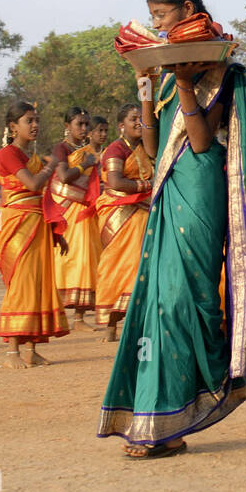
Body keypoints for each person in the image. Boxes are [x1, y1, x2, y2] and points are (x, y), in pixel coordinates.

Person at [99, 0, 246, 457]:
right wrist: (146, 96)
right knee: (160, 304)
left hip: (201, 191)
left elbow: (201, 142)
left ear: (185, 8)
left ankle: (190, 409)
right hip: (169, 188)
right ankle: (162, 420)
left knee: (185, 303)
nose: (156, 25)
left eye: (161, 15)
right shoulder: (167, 69)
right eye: (152, 17)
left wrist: (182, 83)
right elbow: (155, 149)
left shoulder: (215, 65)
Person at [0, 102, 70, 366]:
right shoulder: (8, 154)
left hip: (37, 224)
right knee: (21, 284)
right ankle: (12, 351)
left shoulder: (32, 158)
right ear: (13, 126)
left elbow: (41, 196)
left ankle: (31, 349)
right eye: (28, 120)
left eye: (37, 120)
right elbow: (34, 184)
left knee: (37, 284)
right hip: (16, 225)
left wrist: (54, 230)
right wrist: (54, 165)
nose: (35, 125)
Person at [94, 104, 153, 342]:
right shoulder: (115, 149)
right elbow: (116, 182)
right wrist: (147, 187)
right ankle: (110, 325)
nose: (138, 122)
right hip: (118, 213)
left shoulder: (145, 148)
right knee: (116, 265)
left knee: (139, 265)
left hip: (142, 212)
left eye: (141, 118)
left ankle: (135, 323)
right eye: (133, 119)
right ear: (121, 126)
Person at [47, 107, 102, 331]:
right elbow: (64, 177)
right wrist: (85, 164)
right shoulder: (62, 148)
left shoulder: (88, 150)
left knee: (84, 261)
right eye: (79, 124)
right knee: (62, 261)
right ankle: (55, 313)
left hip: (83, 211)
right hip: (64, 210)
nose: (84, 128)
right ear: (67, 126)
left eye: (86, 124)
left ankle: (79, 318)